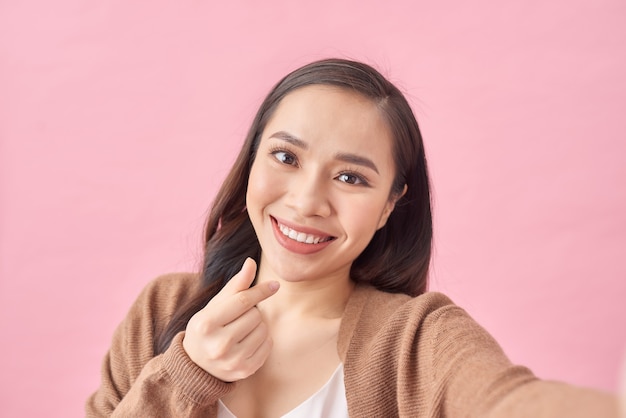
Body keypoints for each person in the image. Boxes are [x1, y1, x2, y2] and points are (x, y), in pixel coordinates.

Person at [86, 58, 619, 417]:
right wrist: (187, 374)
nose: (307, 201)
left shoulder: (415, 340)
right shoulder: (161, 311)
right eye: (286, 157)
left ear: (391, 204)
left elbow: (509, 403)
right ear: (251, 160)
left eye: (351, 178)